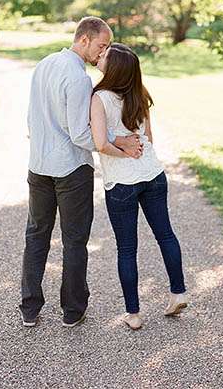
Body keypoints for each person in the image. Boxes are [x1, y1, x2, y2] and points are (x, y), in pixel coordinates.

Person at [19, 16, 143, 328]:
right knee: (74, 240)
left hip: (38, 165)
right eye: (102, 45)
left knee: (36, 235)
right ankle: (72, 311)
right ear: (84, 39)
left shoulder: (45, 63)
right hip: (71, 170)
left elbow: (31, 117)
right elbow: (81, 135)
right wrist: (119, 143)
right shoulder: (78, 78)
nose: (104, 52)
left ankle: (29, 308)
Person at [90, 43, 187, 331]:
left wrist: (122, 150)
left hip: (122, 182)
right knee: (165, 235)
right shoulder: (139, 94)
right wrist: (131, 145)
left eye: (106, 54)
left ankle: (133, 314)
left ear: (114, 66)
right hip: (153, 174)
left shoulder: (99, 98)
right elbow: (149, 139)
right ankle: (178, 292)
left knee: (127, 248)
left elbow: (100, 144)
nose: (101, 55)